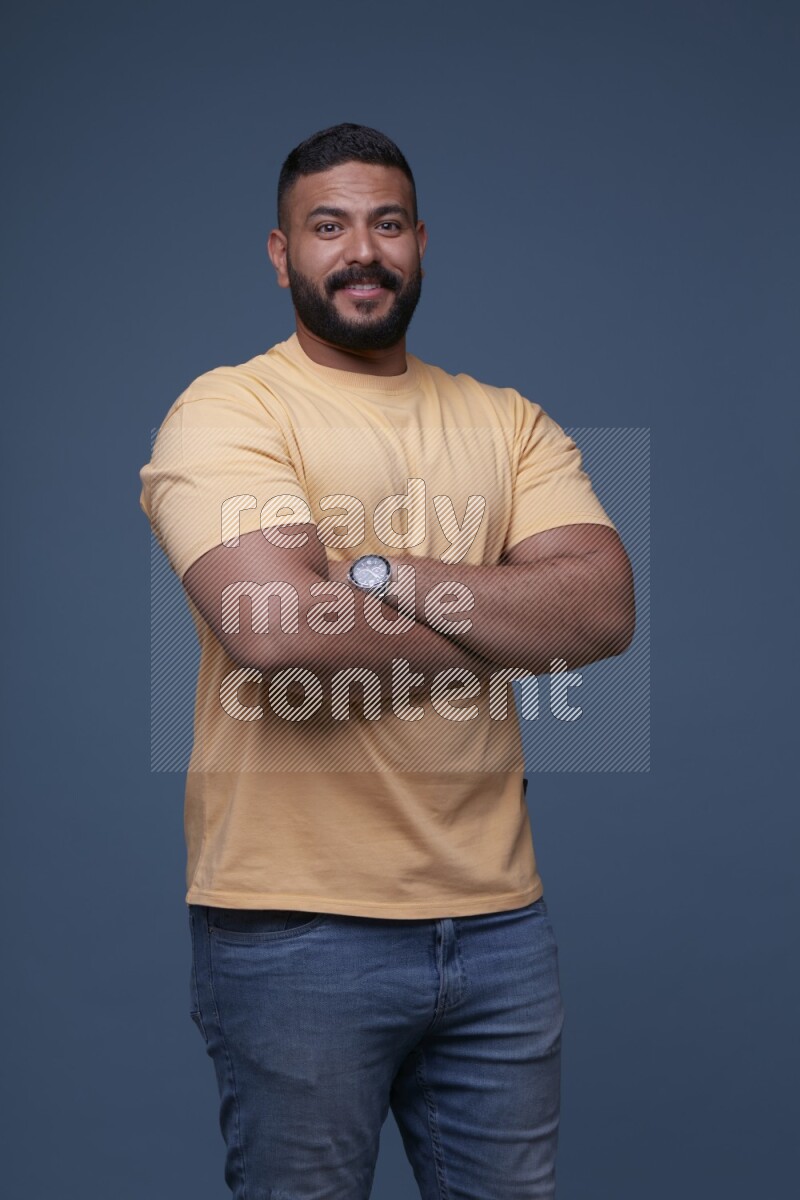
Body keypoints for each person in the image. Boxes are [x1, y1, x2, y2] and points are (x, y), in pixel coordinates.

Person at [139, 122, 635, 1200]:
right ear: (281, 253)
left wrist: (371, 574)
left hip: (499, 924)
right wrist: (504, 614)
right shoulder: (230, 409)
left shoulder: (507, 422)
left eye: (387, 224)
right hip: (294, 929)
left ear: (420, 242)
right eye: (328, 227)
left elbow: (601, 611)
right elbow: (274, 630)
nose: (361, 251)